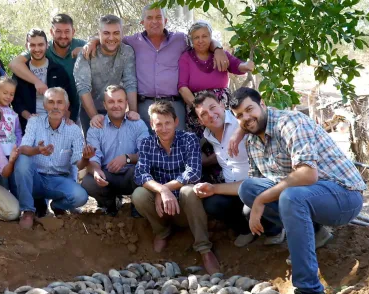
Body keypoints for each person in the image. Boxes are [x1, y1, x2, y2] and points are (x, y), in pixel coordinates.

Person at [230, 87, 366, 294]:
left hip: (343, 194)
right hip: (308, 198)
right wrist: (253, 199)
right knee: (248, 189)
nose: (246, 118)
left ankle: (310, 291)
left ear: (262, 104)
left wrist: (261, 200)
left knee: (289, 197)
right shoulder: (252, 141)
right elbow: (258, 184)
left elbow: (307, 175)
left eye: (249, 110)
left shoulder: (290, 123)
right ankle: (315, 232)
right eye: (239, 116)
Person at [84, 6, 230, 130]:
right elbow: (111, 39)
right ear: (142, 22)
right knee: (145, 147)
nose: (154, 21)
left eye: (158, 17)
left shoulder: (180, 40)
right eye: (149, 18)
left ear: (165, 21)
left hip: (174, 105)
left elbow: (201, 39)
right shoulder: (132, 41)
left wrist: (217, 48)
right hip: (143, 106)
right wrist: (93, 42)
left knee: (176, 148)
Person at [132, 101, 220, 274]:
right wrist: (161, 191)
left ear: (176, 122)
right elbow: (140, 174)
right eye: (158, 124)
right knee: (139, 194)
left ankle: (204, 248)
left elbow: (193, 173)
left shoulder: (188, 139)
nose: (164, 128)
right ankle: (162, 231)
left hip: (186, 207)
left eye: (167, 123)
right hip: (162, 209)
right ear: (151, 125)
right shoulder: (146, 144)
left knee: (189, 190)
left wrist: (165, 189)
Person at [191, 91, 285, 247]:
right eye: (204, 114)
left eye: (213, 107)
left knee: (250, 205)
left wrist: (240, 131)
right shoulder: (208, 135)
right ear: (200, 121)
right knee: (212, 204)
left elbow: (270, 112)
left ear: (222, 105)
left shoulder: (241, 120)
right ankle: (245, 230)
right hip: (232, 189)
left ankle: (275, 229)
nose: (211, 115)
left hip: (256, 186)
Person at [178, 20, 254, 184]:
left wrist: (246, 65)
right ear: (191, 40)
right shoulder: (186, 57)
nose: (200, 40)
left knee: (226, 140)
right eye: (196, 37)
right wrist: (198, 108)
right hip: (197, 110)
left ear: (211, 37)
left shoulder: (220, 54)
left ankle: (229, 179)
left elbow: (236, 65)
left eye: (204, 36)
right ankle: (206, 183)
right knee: (204, 146)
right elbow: (182, 87)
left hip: (221, 107)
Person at [15, 87, 94, 229]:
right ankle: (27, 211)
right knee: (22, 161)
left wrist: (86, 158)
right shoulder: (34, 122)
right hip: (36, 179)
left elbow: (78, 164)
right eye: (51, 102)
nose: (55, 106)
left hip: (58, 180)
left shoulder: (73, 129)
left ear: (66, 106)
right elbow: (23, 148)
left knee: (81, 197)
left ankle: (57, 206)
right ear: (45, 105)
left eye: (60, 102)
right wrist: (37, 150)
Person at [82, 85, 150, 216]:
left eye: (120, 101)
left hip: (132, 175)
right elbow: (94, 158)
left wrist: (127, 158)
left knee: (142, 170)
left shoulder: (138, 124)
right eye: (111, 102)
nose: (116, 105)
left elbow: (147, 153)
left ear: (126, 103)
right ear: (104, 105)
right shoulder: (96, 128)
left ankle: (138, 207)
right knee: (88, 182)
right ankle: (110, 205)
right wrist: (96, 171)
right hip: (108, 176)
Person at [9, 14, 86, 123]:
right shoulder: (25, 68)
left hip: (73, 112)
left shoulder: (59, 69)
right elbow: (14, 65)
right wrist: (37, 82)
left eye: (67, 31)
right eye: (58, 31)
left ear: (73, 32)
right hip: (29, 123)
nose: (63, 35)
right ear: (51, 32)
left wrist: (85, 49)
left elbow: (101, 47)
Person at [74, 14, 138, 135]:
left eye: (116, 33)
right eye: (106, 33)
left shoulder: (127, 52)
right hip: (90, 110)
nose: (111, 37)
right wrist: (94, 116)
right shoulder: (86, 53)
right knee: (94, 150)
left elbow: (130, 82)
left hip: (116, 110)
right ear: (99, 34)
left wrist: (133, 112)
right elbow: (83, 87)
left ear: (122, 33)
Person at [13, 28, 74, 128]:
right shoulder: (21, 72)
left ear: (47, 45)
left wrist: (64, 119)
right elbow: (16, 101)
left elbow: (69, 98)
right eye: (32, 45)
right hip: (28, 125)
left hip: (55, 124)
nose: (37, 49)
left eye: (40, 44)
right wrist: (29, 117)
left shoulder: (58, 70)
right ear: (26, 46)